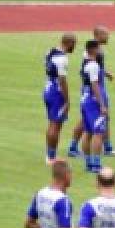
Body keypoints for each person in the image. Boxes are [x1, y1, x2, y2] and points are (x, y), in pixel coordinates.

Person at [69, 26, 115, 158]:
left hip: (96, 87)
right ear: (98, 35)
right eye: (106, 34)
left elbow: (97, 68)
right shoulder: (90, 51)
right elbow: (86, 70)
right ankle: (75, 147)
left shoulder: (97, 49)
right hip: (94, 89)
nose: (108, 36)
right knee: (87, 120)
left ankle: (105, 146)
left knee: (102, 118)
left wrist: (106, 73)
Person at [43, 33, 76, 165]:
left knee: (53, 123)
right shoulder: (62, 59)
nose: (74, 47)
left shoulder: (50, 52)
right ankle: (51, 157)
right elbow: (62, 81)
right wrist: (67, 100)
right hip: (56, 92)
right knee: (55, 125)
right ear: (69, 43)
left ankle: (50, 155)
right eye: (74, 44)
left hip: (48, 88)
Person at [79, 40, 108, 174]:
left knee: (88, 132)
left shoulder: (85, 63)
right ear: (93, 49)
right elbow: (95, 85)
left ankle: (88, 163)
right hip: (92, 101)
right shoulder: (94, 65)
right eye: (99, 48)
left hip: (84, 100)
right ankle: (96, 164)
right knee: (98, 132)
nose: (101, 50)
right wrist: (102, 104)